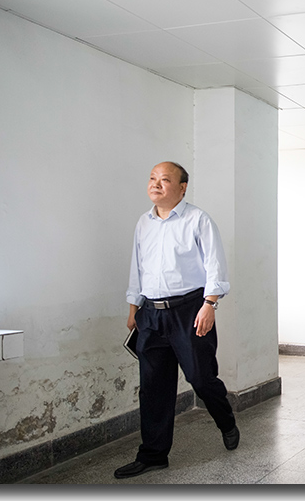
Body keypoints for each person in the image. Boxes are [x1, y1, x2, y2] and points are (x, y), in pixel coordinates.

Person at [116, 162, 239, 479]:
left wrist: (209, 304)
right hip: (150, 313)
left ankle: (226, 421)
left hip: (190, 310)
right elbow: (137, 267)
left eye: (165, 180)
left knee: (200, 378)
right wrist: (133, 307)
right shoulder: (143, 223)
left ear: (182, 188)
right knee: (153, 387)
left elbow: (215, 265)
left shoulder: (198, 220)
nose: (156, 184)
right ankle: (153, 454)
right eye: (152, 178)